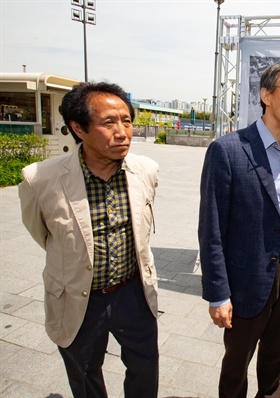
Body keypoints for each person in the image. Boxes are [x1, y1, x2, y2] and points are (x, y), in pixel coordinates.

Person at [18, 82, 160, 397]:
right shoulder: (39, 179)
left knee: (145, 367)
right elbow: (43, 234)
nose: (123, 131)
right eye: (109, 122)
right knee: (84, 373)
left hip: (133, 291)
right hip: (77, 296)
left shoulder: (146, 171)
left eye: (127, 120)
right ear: (78, 128)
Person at [198, 63, 280, 398]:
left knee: (276, 356)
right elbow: (211, 230)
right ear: (266, 95)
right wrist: (218, 293)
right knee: (238, 362)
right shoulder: (229, 150)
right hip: (247, 277)